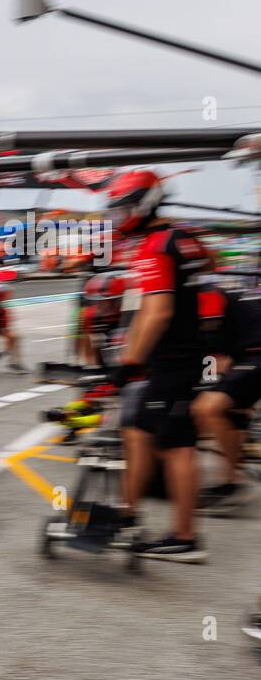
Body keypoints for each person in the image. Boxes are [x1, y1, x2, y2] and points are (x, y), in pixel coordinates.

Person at [107, 170, 211, 562]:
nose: (120, 216)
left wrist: (130, 361)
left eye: (124, 207)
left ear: (144, 203)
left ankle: (182, 536)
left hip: (173, 359)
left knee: (172, 444)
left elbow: (156, 311)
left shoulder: (155, 245)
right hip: (194, 352)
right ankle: (131, 514)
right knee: (149, 433)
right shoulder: (188, 239)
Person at [192, 283, 261, 514]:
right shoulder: (207, 292)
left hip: (254, 354)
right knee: (230, 412)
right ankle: (232, 482)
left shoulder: (205, 294)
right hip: (249, 353)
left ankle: (236, 481)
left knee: (207, 408)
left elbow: (216, 357)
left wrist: (206, 387)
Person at [77, 270, 129, 368]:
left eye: (105, 302)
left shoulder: (133, 315)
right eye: (96, 302)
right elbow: (91, 356)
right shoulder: (91, 314)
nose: (100, 306)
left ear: (119, 300)